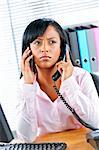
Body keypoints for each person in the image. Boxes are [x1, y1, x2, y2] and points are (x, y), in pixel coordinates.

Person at [16, 18, 99, 142]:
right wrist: (28, 87)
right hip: (48, 147)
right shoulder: (24, 85)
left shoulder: (81, 77)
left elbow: (96, 123)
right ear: (28, 50)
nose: (44, 49)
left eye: (52, 42)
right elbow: (26, 138)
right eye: (37, 43)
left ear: (63, 48)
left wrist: (69, 82)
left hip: (82, 145)